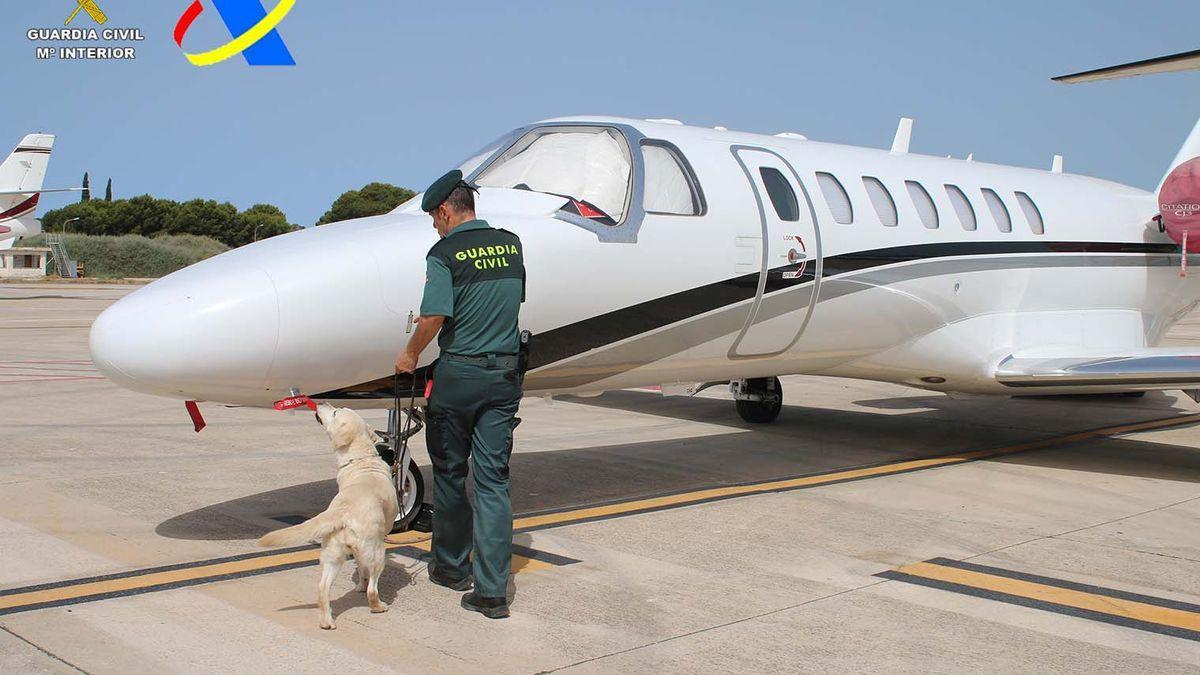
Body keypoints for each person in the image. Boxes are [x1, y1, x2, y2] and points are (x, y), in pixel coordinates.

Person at [395, 169, 526, 619]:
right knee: (493, 482)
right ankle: (491, 592)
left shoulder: (444, 252)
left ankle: (451, 569)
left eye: (435, 218)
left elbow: (433, 317)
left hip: (459, 378)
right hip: (504, 378)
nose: (435, 226)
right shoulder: (511, 244)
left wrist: (410, 355)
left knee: (451, 473)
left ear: (446, 211)